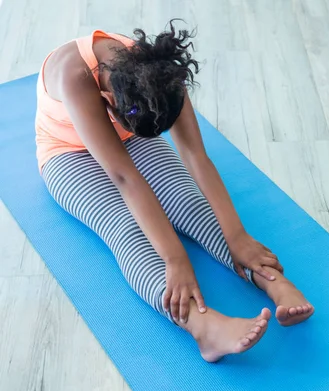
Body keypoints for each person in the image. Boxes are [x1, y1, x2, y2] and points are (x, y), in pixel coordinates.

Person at [35, 20, 314, 362]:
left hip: (132, 135)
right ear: (108, 99)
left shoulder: (160, 76)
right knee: (127, 230)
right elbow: (124, 177)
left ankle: (270, 279)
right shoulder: (75, 78)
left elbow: (196, 155)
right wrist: (175, 259)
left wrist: (237, 235)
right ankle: (203, 327)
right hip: (69, 156)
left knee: (189, 205)